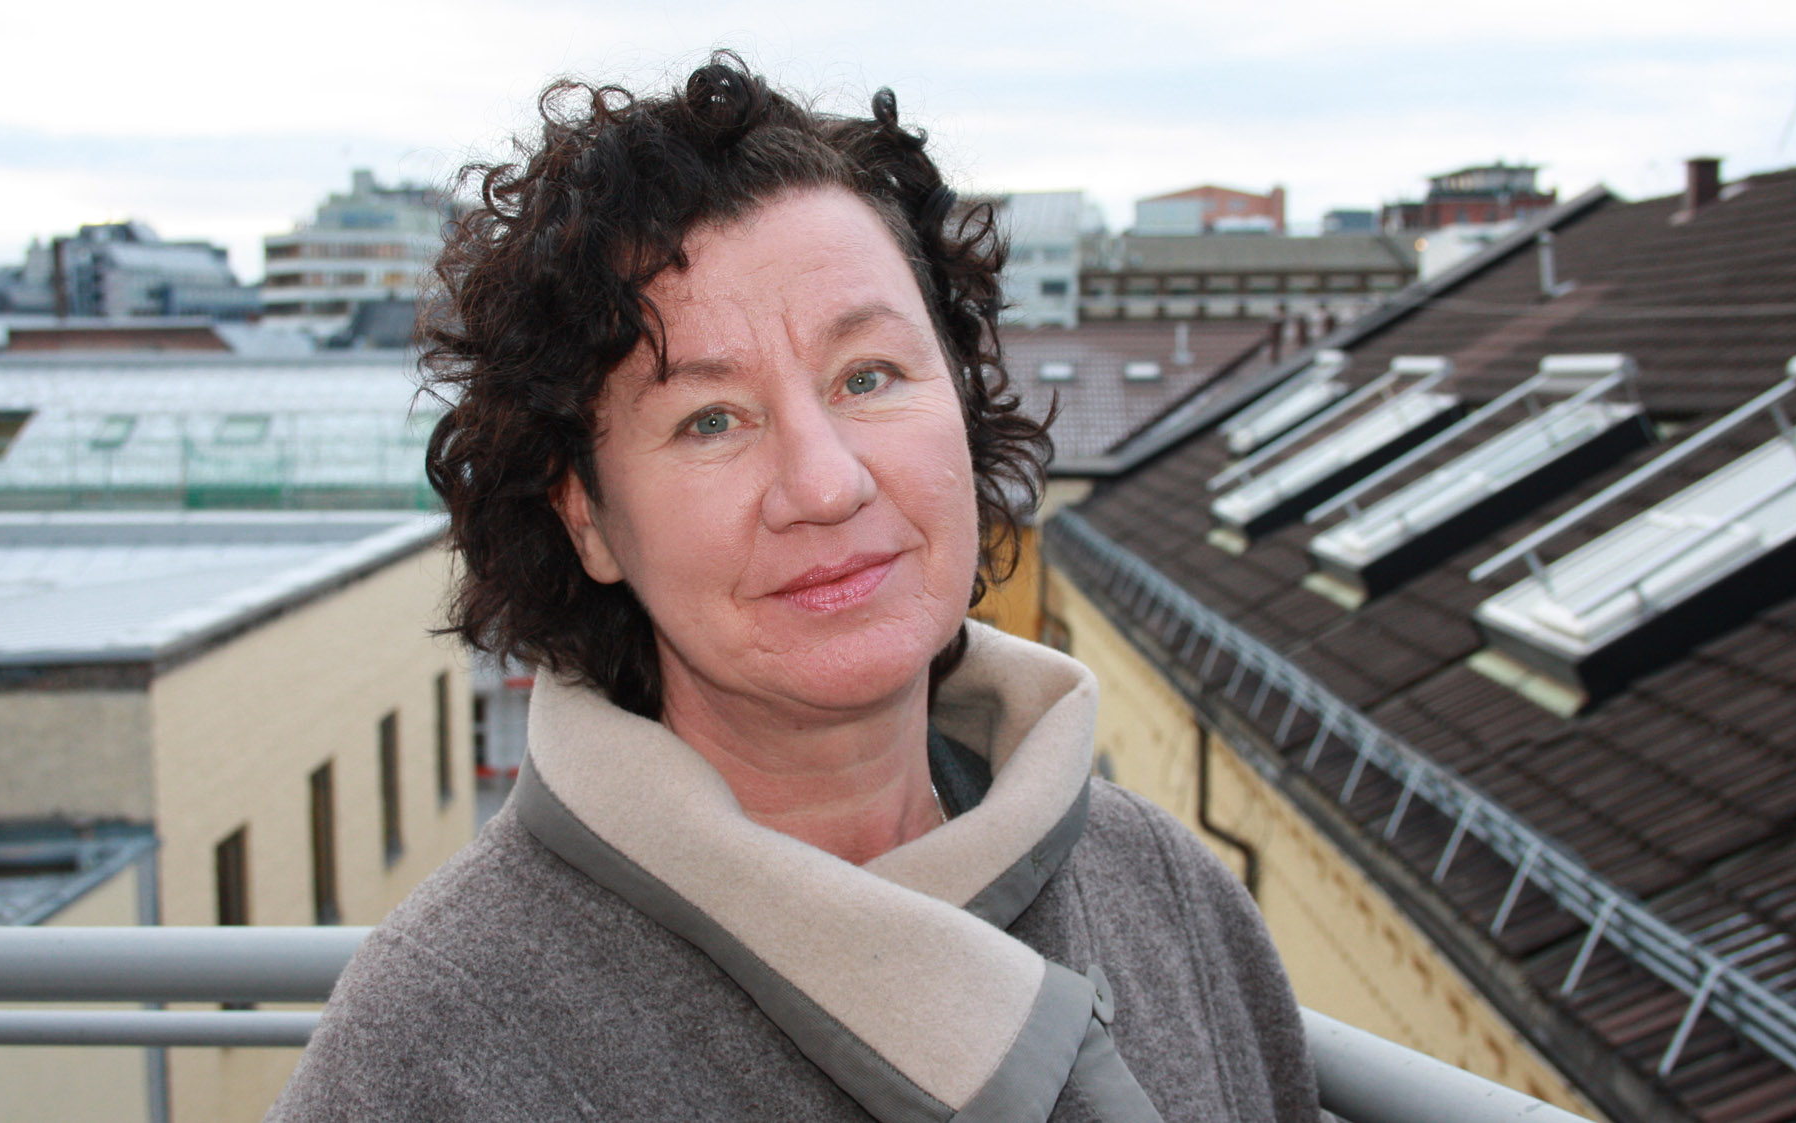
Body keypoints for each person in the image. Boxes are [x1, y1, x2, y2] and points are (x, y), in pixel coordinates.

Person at [269, 55, 1317, 1122]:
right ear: (586, 516)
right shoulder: (438, 1043)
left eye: (868, 376)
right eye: (710, 420)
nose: (825, 484)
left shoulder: (1168, 893)